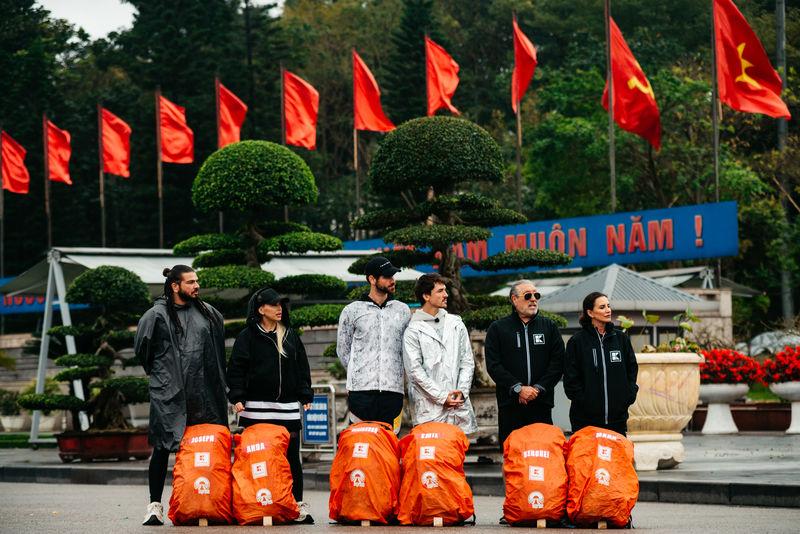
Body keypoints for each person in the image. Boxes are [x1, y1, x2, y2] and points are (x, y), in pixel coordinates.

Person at [134, 265, 229, 526]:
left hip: (205, 390)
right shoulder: (155, 316)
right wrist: (164, 377)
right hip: (170, 392)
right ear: (175, 286)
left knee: (208, 449)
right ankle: (155, 505)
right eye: (190, 282)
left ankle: (209, 504)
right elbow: (143, 350)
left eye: (197, 281)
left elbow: (218, 354)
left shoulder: (209, 313)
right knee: (162, 447)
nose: (196, 286)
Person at [226, 287, 315, 524]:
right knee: (256, 458)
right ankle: (251, 503)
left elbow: (301, 368)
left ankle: (297, 504)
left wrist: (305, 395)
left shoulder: (290, 335)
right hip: (255, 408)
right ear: (260, 309)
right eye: (274, 304)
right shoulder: (247, 336)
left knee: (291, 457)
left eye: (280, 304)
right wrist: (237, 396)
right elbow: (236, 369)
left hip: (287, 408)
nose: (279, 309)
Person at [484, 280, 565, 446]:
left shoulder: (549, 326)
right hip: (510, 405)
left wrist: (538, 389)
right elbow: (494, 365)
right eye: (528, 296)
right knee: (512, 452)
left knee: (542, 452)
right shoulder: (498, 328)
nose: (533, 299)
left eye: (536, 295)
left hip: (541, 404)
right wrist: (518, 389)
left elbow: (558, 363)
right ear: (514, 299)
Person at [337, 256, 411, 432]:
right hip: (361, 392)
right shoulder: (352, 311)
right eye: (387, 276)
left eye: (393, 276)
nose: (392, 280)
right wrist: (359, 373)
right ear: (372, 279)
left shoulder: (403, 310)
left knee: (390, 442)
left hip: (393, 390)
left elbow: (407, 349)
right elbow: (343, 350)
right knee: (362, 441)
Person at [403, 273, 477, 434]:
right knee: (432, 449)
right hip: (429, 410)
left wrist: (460, 393)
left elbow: (467, 361)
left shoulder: (456, 323)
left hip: (458, 407)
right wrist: (442, 397)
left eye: (445, 290)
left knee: (457, 448)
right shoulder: (413, 330)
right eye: (440, 291)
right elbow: (414, 371)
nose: (446, 295)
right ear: (426, 296)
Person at [563, 292, 639, 436]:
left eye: (608, 306)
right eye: (602, 307)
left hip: (617, 420)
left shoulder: (621, 339)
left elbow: (632, 370)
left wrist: (628, 395)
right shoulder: (577, 342)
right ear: (590, 313)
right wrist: (585, 403)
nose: (608, 310)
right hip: (585, 421)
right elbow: (571, 379)